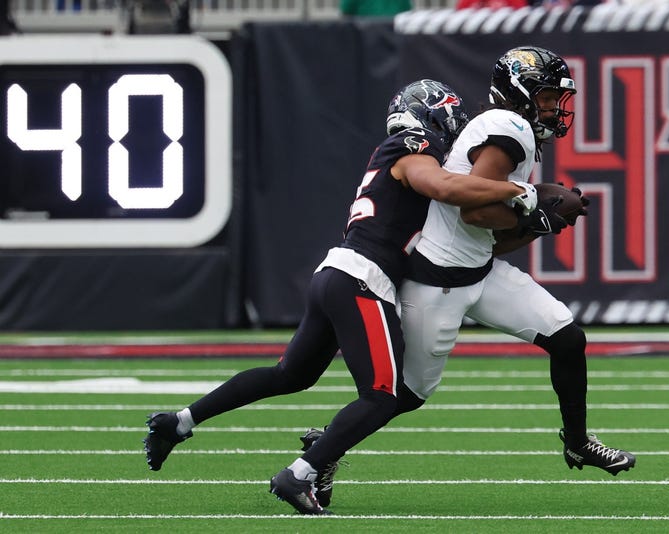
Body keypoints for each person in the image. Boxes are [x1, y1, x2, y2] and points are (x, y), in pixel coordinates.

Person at [142, 79, 539, 515]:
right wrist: (518, 191)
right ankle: (299, 474)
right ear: (430, 114)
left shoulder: (408, 152)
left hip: (340, 273)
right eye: (452, 116)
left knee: (290, 375)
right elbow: (444, 187)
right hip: (362, 279)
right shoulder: (411, 144)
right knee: (383, 395)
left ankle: (178, 422)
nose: (456, 127)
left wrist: (536, 220)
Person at [302, 47, 635, 504]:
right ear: (519, 92)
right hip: (439, 280)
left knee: (567, 337)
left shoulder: (511, 130)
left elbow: (491, 237)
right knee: (406, 395)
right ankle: (324, 448)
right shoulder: (508, 126)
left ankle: (577, 443)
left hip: (477, 269)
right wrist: (535, 211)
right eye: (546, 97)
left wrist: (539, 224)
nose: (555, 109)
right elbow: (478, 213)